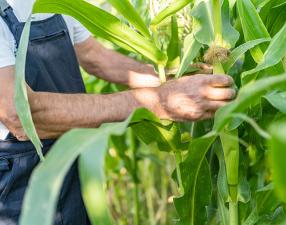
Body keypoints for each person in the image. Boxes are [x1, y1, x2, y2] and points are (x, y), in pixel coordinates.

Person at [0, 0, 236, 224]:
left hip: (68, 156)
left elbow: (96, 57)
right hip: (20, 178)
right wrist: (159, 101)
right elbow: (20, 114)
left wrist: (175, 81)